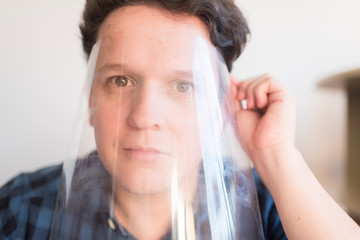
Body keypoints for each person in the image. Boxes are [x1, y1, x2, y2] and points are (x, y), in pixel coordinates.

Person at [1, 1, 360, 240]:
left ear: (219, 108)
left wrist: (277, 155)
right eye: (121, 81)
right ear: (91, 99)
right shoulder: (19, 211)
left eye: (183, 85)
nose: (144, 117)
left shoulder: (272, 209)